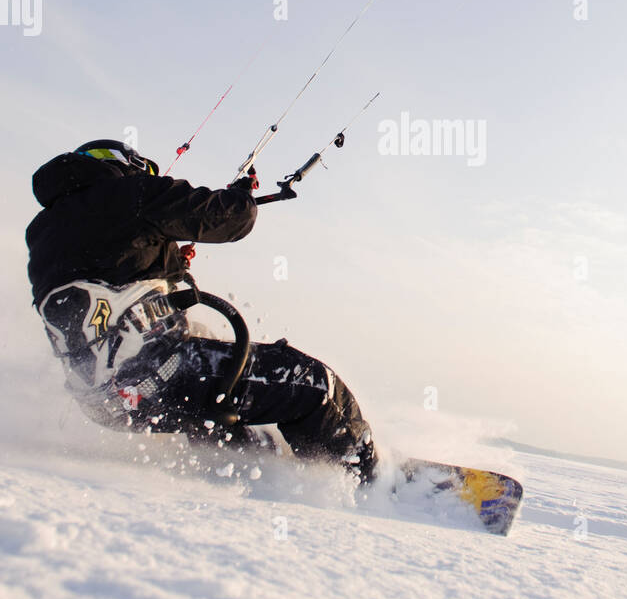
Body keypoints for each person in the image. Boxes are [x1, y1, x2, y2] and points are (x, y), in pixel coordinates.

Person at [25, 139, 377, 481]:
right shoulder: (131, 193)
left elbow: (108, 270)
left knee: (212, 395)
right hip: (163, 373)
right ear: (125, 165)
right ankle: (363, 476)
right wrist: (241, 195)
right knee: (314, 385)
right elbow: (229, 219)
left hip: (108, 406)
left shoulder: (41, 234)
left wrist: (172, 262)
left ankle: (259, 472)